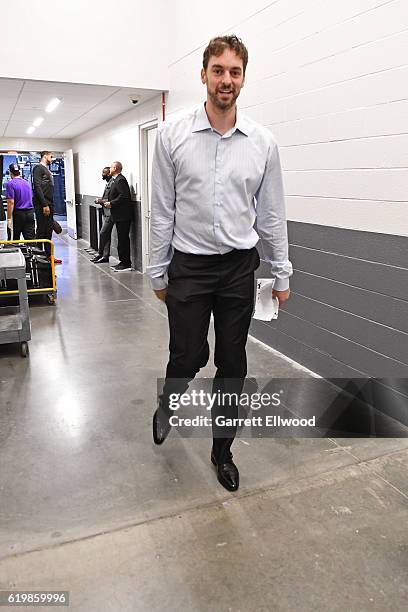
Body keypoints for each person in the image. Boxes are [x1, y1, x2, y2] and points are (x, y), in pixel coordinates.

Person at [147, 35, 293, 492]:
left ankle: (221, 451)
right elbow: (162, 210)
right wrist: (157, 269)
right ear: (204, 74)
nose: (225, 80)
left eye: (234, 71)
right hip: (188, 267)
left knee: (233, 365)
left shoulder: (262, 143)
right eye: (218, 70)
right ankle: (169, 403)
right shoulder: (172, 137)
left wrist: (282, 270)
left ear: (243, 78)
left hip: (237, 270)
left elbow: (270, 214)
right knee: (188, 354)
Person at [32, 151, 62, 264]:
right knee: (41, 231)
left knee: (48, 231)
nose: (52, 158)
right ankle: (39, 257)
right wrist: (44, 204)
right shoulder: (38, 168)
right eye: (51, 156)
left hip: (49, 204)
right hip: (42, 205)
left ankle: (49, 256)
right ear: (45, 156)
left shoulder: (47, 170)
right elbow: (37, 186)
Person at [104, 161, 133, 272]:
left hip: (123, 216)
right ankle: (123, 262)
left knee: (123, 240)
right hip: (119, 215)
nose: (109, 169)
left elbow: (124, 196)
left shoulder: (120, 180)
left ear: (115, 168)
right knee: (121, 239)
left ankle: (126, 264)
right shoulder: (115, 180)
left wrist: (112, 203)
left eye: (111, 167)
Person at [6, 163, 35, 241]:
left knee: (14, 239)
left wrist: (9, 219)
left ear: (10, 172)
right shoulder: (27, 183)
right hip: (30, 213)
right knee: (30, 239)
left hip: (18, 214)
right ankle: (31, 252)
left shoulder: (10, 184)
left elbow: (10, 202)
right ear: (19, 172)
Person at [91, 166, 114, 264]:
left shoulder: (113, 183)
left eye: (104, 173)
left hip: (110, 213)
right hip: (106, 212)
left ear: (109, 173)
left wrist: (100, 200)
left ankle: (100, 254)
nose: (103, 175)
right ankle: (105, 256)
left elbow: (111, 199)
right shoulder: (108, 183)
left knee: (103, 233)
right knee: (106, 235)